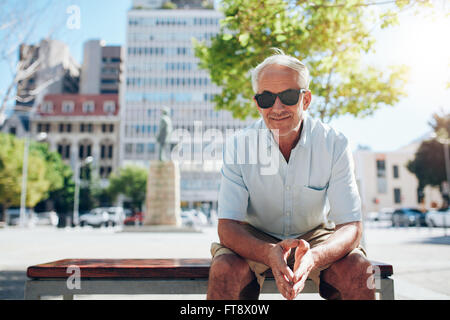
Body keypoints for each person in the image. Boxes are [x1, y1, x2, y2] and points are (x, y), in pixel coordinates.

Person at [207, 50, 376, 300]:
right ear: (256, 103)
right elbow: (228, 227)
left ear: (305, 100)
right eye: (266, 98)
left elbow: (350, 226)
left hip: (316, 235)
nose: (277, 107)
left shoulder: (334, 143)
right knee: (224, 270)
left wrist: (315, 256)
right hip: (254, 234)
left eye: (287, 96)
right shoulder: (239, 145)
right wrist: (268, 252)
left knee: (359, 271)